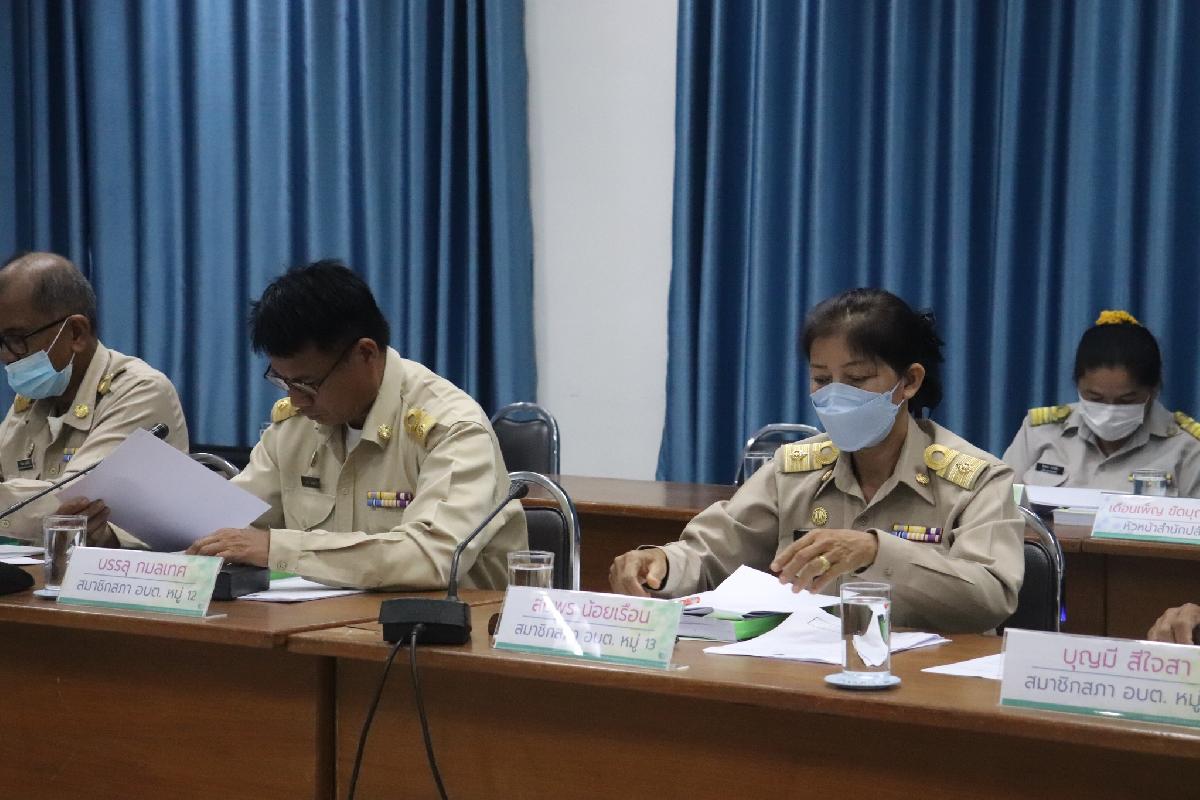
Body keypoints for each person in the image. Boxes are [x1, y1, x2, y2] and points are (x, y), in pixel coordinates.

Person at [609, 288, 1024, 633]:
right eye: (822, 379)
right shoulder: (794, 470)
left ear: (909, 381)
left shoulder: (976, 479)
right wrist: (661, 565)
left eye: (857, 379)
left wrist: (876, 552)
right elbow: (711, 555)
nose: (834, 395)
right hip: (803, 673)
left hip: (929, 681)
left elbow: (991, 596)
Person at [187, 260, 526, 590]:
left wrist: (279, 549)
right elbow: (231, 522)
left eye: (307, 384)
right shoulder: (295, 427)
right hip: (322, 619)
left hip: (444, 623)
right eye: (283, 381)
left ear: (365, 354)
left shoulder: (451, 428)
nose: (297, 400)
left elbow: (431, 556)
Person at [0, 252, 189, 544]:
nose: (7, 357)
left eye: (17, 339)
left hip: (127, 570)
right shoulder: (34, 397)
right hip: (44, 566)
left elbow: (74, 500)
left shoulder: (140, 390)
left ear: (76, 333)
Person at [1003, 311, 1200, 497]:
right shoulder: (1040, 433)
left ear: (1153, 390)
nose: (1109, 411)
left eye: (1126, 401)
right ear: (1078, 385)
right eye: (1095, 398)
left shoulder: (1188, 448)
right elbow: (999, 505)